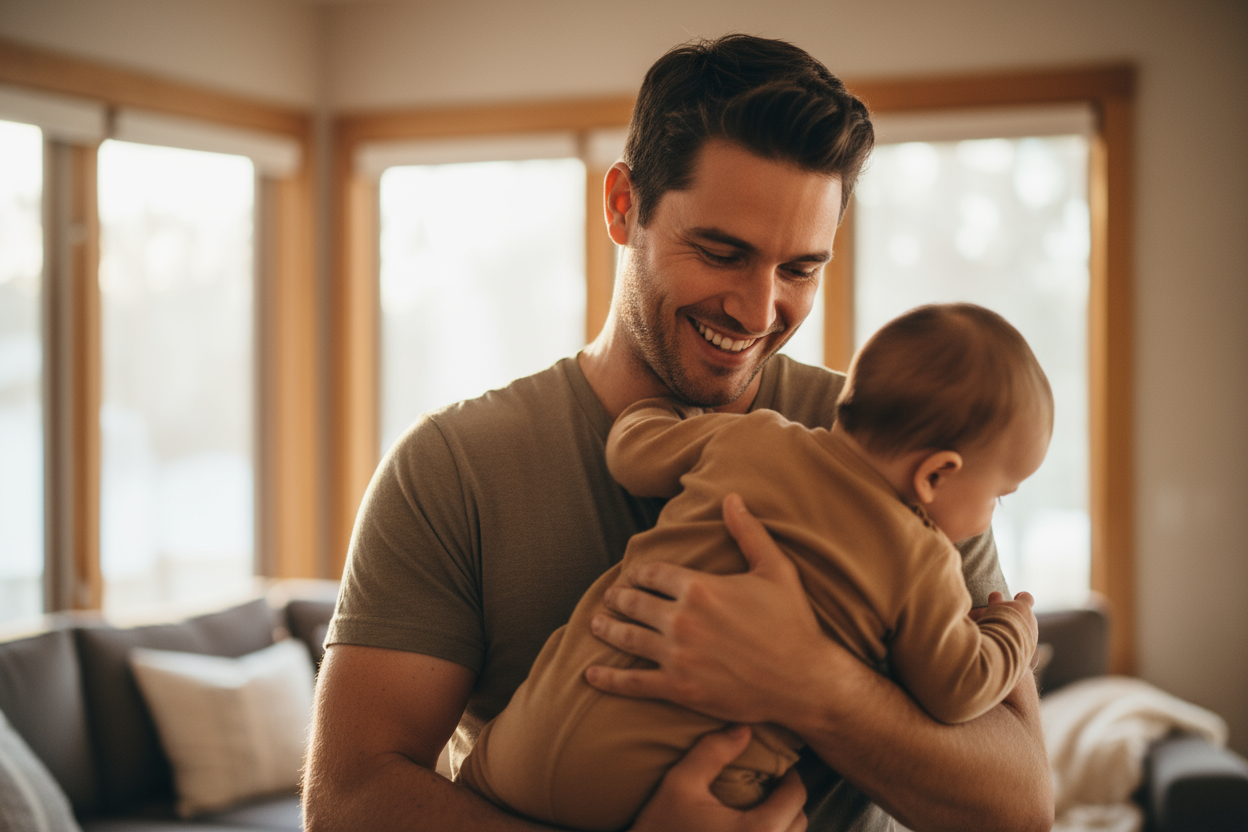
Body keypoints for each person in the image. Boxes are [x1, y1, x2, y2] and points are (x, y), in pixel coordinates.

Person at [303, 33, 1054, 832]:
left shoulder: (900, 450)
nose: (759, 310)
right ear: (624, 206)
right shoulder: (453, 471)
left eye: (800, 269)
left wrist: (810, 681)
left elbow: (1018, 806)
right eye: (723, 252)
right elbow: (350, 799)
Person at [457, 303, 1051, 831]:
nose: (988, 515)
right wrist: (1014, 630)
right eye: (999, 494)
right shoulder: (926, 561)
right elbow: (957, 686)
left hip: (527, 750)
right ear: (936, 474)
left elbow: (631, 453)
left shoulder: (755, 438)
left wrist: (657, 412)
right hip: (697, 789)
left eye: (798, 269)